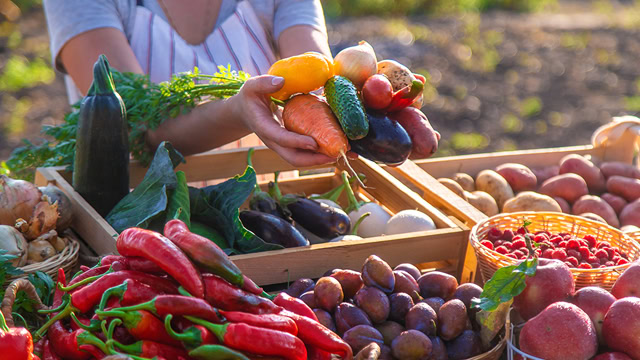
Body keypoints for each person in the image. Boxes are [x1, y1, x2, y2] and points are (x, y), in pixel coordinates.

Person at [43, 0, 335, 166]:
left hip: (270, 209)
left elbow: (315, 72)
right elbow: (134, 124)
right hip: (136, 224)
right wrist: (239, 111)